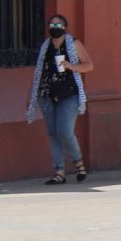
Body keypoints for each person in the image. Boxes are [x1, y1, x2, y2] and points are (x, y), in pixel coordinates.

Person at [27, 14, 94, 185]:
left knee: (64, 131)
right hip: (46, 94)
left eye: (59, 24)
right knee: (53, 133)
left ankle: (78, 162)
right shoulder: (45, 46)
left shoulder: (73, 44)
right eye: (52, 24)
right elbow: (39, 72)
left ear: (65, 27)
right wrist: (31, 96)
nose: (55, 27)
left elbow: (89, 65)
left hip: (69, 94)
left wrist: (71, 66)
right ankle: (59, 171)